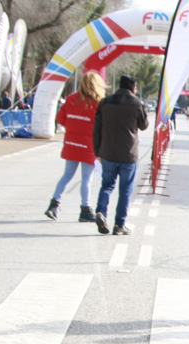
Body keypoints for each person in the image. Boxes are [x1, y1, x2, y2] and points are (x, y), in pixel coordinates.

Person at [92, 75, 150, 235]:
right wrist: (143, 109)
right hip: (128, 154)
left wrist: (97, 151)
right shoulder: (137, 104)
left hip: (108, 152)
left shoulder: (105, 102)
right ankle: (119, 225)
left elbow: (96, 129)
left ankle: (101, 212)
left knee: (107, 185)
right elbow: (144, 126)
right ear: (133, 88)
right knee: (125, 191)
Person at [45, 71, 104, 222]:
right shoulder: (98, 103)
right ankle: (85, 209)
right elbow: (102, 126)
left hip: (71, 143)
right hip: (89, 145)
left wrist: (73, 128)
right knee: (87, 179)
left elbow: (60, 118)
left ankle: (54, 204)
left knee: (67, 175)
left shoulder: (71, 99)